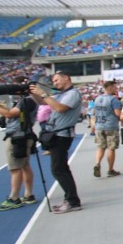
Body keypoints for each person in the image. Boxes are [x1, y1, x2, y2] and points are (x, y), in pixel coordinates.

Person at [0, 78, 37, 211]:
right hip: (23, 136)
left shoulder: (27, 100)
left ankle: (14, 198)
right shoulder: (28, 100)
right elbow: (10, 114)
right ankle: (28, 194)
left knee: (15, 168)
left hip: (18, 137)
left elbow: (9, 114)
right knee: (24, 166)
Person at [30, 71, 82, 214]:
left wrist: (44, 94)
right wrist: (33, 92)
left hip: (62, 135)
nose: (55, 83)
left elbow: (60, 108)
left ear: (66, 77)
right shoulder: (60, 94)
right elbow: (42, 101)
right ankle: (71, 199)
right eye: (53, 81)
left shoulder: (73, 93)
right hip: (56, 134)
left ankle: (72, 201)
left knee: (58, 169)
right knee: (61, 169)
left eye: (57, 80)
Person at [92, 80, 122, 178]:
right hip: (111, 126)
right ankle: (110, 169)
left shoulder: (97, 99)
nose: (116, 89)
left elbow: (94, 112)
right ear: (110, 87)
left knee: (100, 147)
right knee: (111, 148)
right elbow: (118, 114)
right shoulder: (113, 100)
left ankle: (97, 163)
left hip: (99, 125)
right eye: (115, 87)